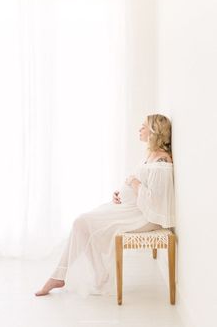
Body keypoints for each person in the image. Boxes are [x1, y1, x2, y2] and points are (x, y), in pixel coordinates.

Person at [35, 114, 175, 297]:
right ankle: (89, 274)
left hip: (143, 217)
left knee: (82, 222)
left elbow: (156, 203)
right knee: (82, 223)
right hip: (130, 208)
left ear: (154, 131)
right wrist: (120, 192)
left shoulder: (162, 162)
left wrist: (133, 185)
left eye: (143, 126)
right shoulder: (150, 155)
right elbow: (138, 182)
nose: (139, 129)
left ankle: (61, 275)